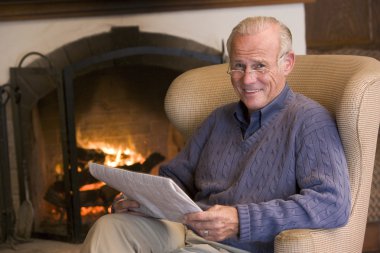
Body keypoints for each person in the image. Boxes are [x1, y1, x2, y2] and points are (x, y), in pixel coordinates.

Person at [80, 16, 351, 253]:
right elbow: (175, 179)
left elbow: (332, 204)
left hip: (243, 245)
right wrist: (139, 200)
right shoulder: (218, 118)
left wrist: (240, 220)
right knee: (110, 228)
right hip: (187, 229)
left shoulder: (310, 121)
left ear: (287, 63)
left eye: (259, 66)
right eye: (238, 66)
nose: (247, 79)